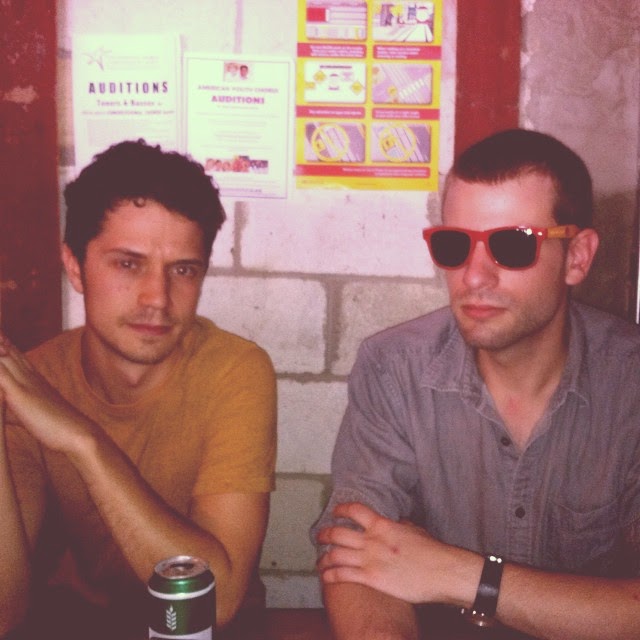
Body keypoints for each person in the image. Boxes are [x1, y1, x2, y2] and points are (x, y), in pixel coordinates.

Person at [311, 129, 640, 639]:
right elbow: (356, 554)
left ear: (577, 256)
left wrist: (461, 575)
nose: (474, 276)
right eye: (455, 244)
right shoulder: (394, 368)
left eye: (512, 245)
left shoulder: (629, 384)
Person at [0, 140, 277, 639]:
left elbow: (216, 604)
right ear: (75, 267)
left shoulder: (234, 371)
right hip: (85, 622)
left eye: (183, 270)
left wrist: (83, 442)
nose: (158, 298)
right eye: (128, 264)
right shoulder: (35, 382)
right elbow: (6, 613)